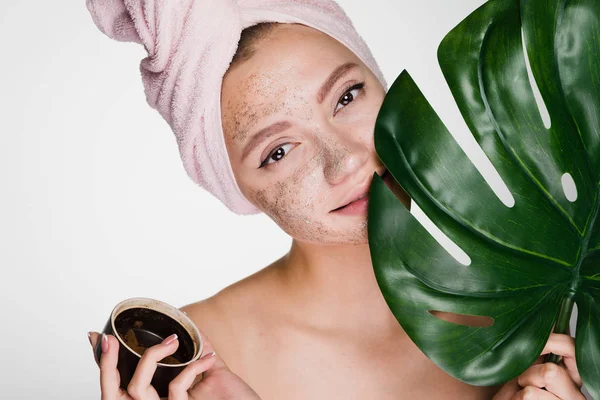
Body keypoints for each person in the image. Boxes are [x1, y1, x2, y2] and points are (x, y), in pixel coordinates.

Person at [85, 1, 586, 399]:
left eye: (346, 97)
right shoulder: (196, 365)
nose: (346, 159)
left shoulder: (565, 290)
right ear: (234, 187)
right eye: (278, 151)